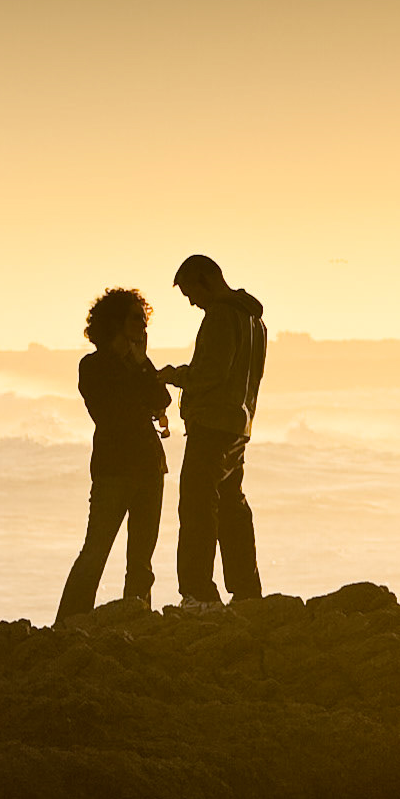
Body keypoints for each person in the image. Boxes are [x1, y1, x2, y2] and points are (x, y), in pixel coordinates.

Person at [54, 288, 173, 625]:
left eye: (143, 317)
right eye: (136, 317)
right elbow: (114, 411)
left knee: (141, 559)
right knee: (96, 552)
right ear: (115, 322)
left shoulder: (137, 363)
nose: (143, 325)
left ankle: (136, 618)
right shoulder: (93, 366)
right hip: (114, 470)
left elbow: (161, 400)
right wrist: (136, 369)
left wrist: (140, 363)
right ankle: (68, 624)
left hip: (150, 466)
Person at [158, 254, 266, 606]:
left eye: (191, 293)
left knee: (197, 509)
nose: (191, 302)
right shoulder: (253, 318)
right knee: (232, 507)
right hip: (239, 425)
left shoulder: (221, 315)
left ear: (206, 279)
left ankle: (198, 591)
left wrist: (174, 375)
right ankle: (246, 590)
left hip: (212, 425)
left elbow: (210, 373)